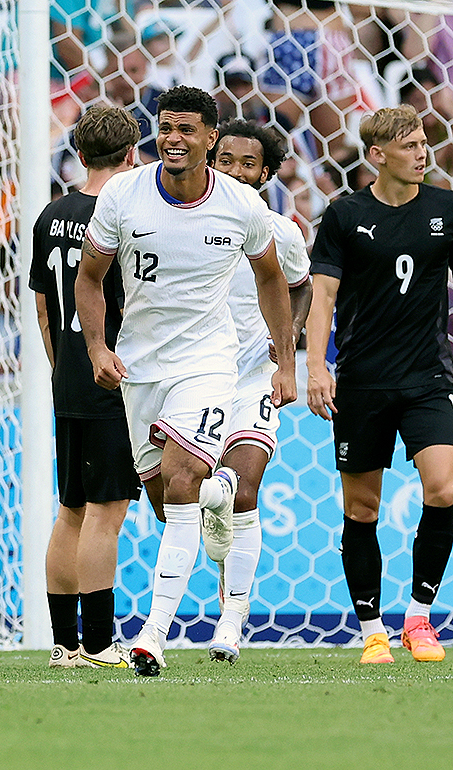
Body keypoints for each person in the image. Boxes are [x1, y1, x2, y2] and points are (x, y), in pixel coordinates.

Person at [75, 85, 297, 677]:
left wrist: (288, 361)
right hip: (140, 366)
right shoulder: (124, 193)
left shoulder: (242, 206)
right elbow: (90, 276)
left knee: (182, 479)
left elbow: (275, 280)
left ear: (210, 137)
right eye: (165, 128)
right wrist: (97, 346)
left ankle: (153, 634)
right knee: (167, 500)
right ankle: (215, 511)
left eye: (187, 130)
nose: (174, 139)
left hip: (210, 362)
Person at [305, 104, 453, 665]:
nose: (422, 152)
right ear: (377, 155)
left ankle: (419, 618)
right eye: (411, 145)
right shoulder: (345, 216)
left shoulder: (444, 209)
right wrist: (317, 365)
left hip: (428, 377)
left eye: (423, 143)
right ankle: (372, 629)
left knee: (445, 488)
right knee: (362, 509)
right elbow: (322, 296)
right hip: (363, 381)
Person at [31, 104, 142, 670]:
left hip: (68, 375)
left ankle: (65, 643)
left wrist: (61, 365)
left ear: (78, 153)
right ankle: (99, 642)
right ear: (131, 155)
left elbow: (45, 305)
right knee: (106, 510)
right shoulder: (123, 216)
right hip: (112, 375)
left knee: (72, 508)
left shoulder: (52, 214)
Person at [206, 118, 312, 663]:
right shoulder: (187, 223)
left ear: (267, 173)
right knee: (181, 500)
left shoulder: (283, 232)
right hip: (192, 376)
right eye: (226, 160)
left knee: (240, 490)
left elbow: (302, 288)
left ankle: (231, 620)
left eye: (248, 164)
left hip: (253, 381)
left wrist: (288, 343)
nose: (236, 172)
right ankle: (220, 578)